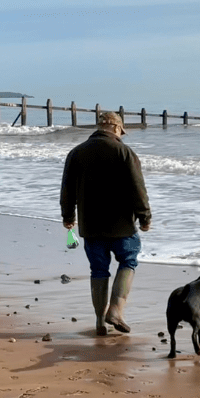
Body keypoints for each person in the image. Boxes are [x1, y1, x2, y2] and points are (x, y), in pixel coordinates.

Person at [60, 111, 151, 336]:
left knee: (98, 269)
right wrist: (144, 216)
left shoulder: (76, 153)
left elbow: (67, 190)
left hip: (91, 226)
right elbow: (138, 188)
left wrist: (68, 217)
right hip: (122, 225)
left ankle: (100, 321)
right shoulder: (124, 152)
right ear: (117, 129)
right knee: (128, 261)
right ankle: (116, 311)